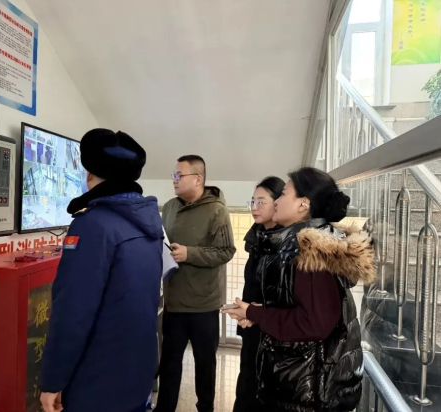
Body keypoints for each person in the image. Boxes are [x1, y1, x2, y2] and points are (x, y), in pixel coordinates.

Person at [223, 167, 375, 412]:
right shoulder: (314, 242)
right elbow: (307, 306)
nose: (276, 202)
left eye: (283, 194)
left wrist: (255, 313)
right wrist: (260, 312)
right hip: (306, 379)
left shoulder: (311, 250)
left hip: (307, 388)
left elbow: (313, 323)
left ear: (304, 204)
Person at [40, 129, 163, 412]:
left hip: (97, 380)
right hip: (137, 372)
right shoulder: (150, 222)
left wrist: (53, 380)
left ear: (90, 176)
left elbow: (73, 312)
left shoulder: (92, 225)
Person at [155, 155, 236, 412]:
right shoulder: (169, 207)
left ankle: (206, 408)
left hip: (204, 305)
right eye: (174, 175)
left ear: (198, 179)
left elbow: (226, 251)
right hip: (174, 301)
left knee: (205, 365)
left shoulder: (217, 210)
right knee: (169, 363)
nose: (174, 180)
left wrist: (189, 254)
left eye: (179, 175)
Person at [233, 176, 285, 412]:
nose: (254, 207)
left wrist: (257, 313)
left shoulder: (288, 244)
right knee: (246, 385)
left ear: (279, 202)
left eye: (261, 202)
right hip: (253, 328)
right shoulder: (257, 238)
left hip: (275, 334)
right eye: (252, 201)